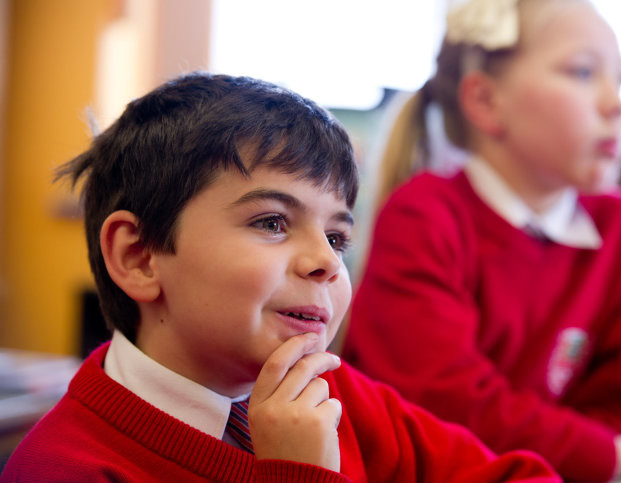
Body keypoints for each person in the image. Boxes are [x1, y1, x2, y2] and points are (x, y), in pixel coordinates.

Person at [0, 73, 561, 482]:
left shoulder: (340, 399)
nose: (327, 262)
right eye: (272, 222)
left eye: (338, 237)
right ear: (140, 256)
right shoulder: (62, 469)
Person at [342, 0, 621, 481]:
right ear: (487, 101)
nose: (614, 104)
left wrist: (602, 452)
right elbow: (443, 408)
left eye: (619, 80)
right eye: (581, 72)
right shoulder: (422, 216)